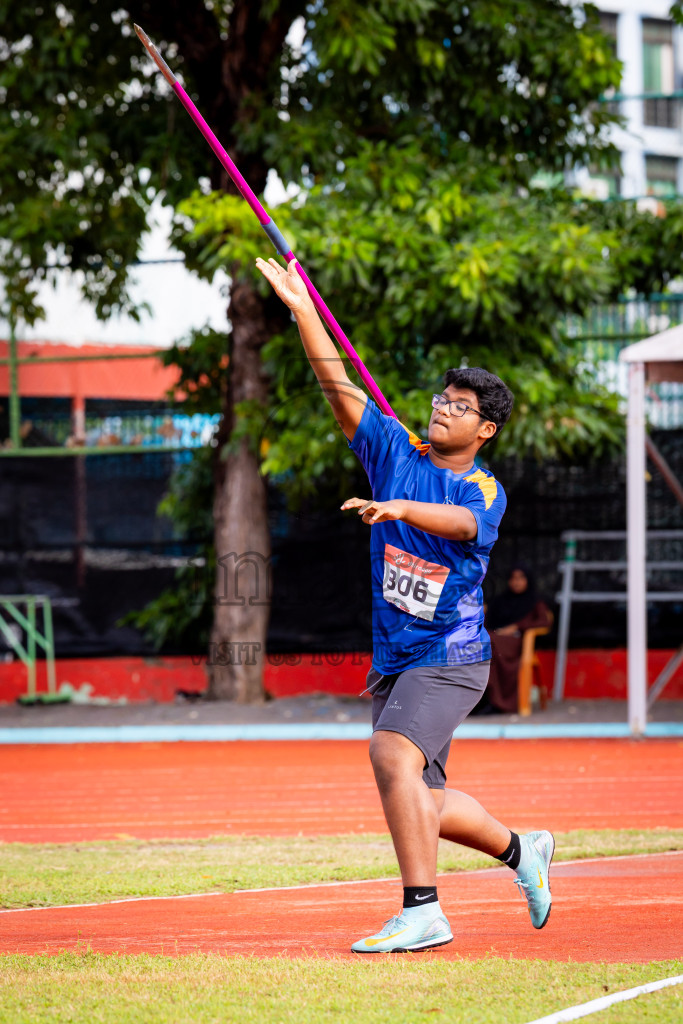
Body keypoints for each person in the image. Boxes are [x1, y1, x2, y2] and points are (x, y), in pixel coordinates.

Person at [255, 255, 555, 954]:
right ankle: (523, 849)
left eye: (459, 406)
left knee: (390, 756)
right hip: (396, 655)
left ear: (484, 430)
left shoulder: (482, 490)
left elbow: (460, 527)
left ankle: (423, 911)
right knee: (420, 794)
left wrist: (402, 507)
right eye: (441, 397)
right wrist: (302, 310)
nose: (441, 407)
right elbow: (338, 387)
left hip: (451, 656)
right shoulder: (395, 448)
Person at [483, 566, 553, 715]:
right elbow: (489, 621)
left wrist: (517, 626)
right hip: (494, 638)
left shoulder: (535, 602)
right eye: (513, 578)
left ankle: (495, 701)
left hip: (516, 643)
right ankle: (482, 701)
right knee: (482, 643)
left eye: (521, 578)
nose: (516, 582)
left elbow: (544, 622)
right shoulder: (501, 600)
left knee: (491, 644)